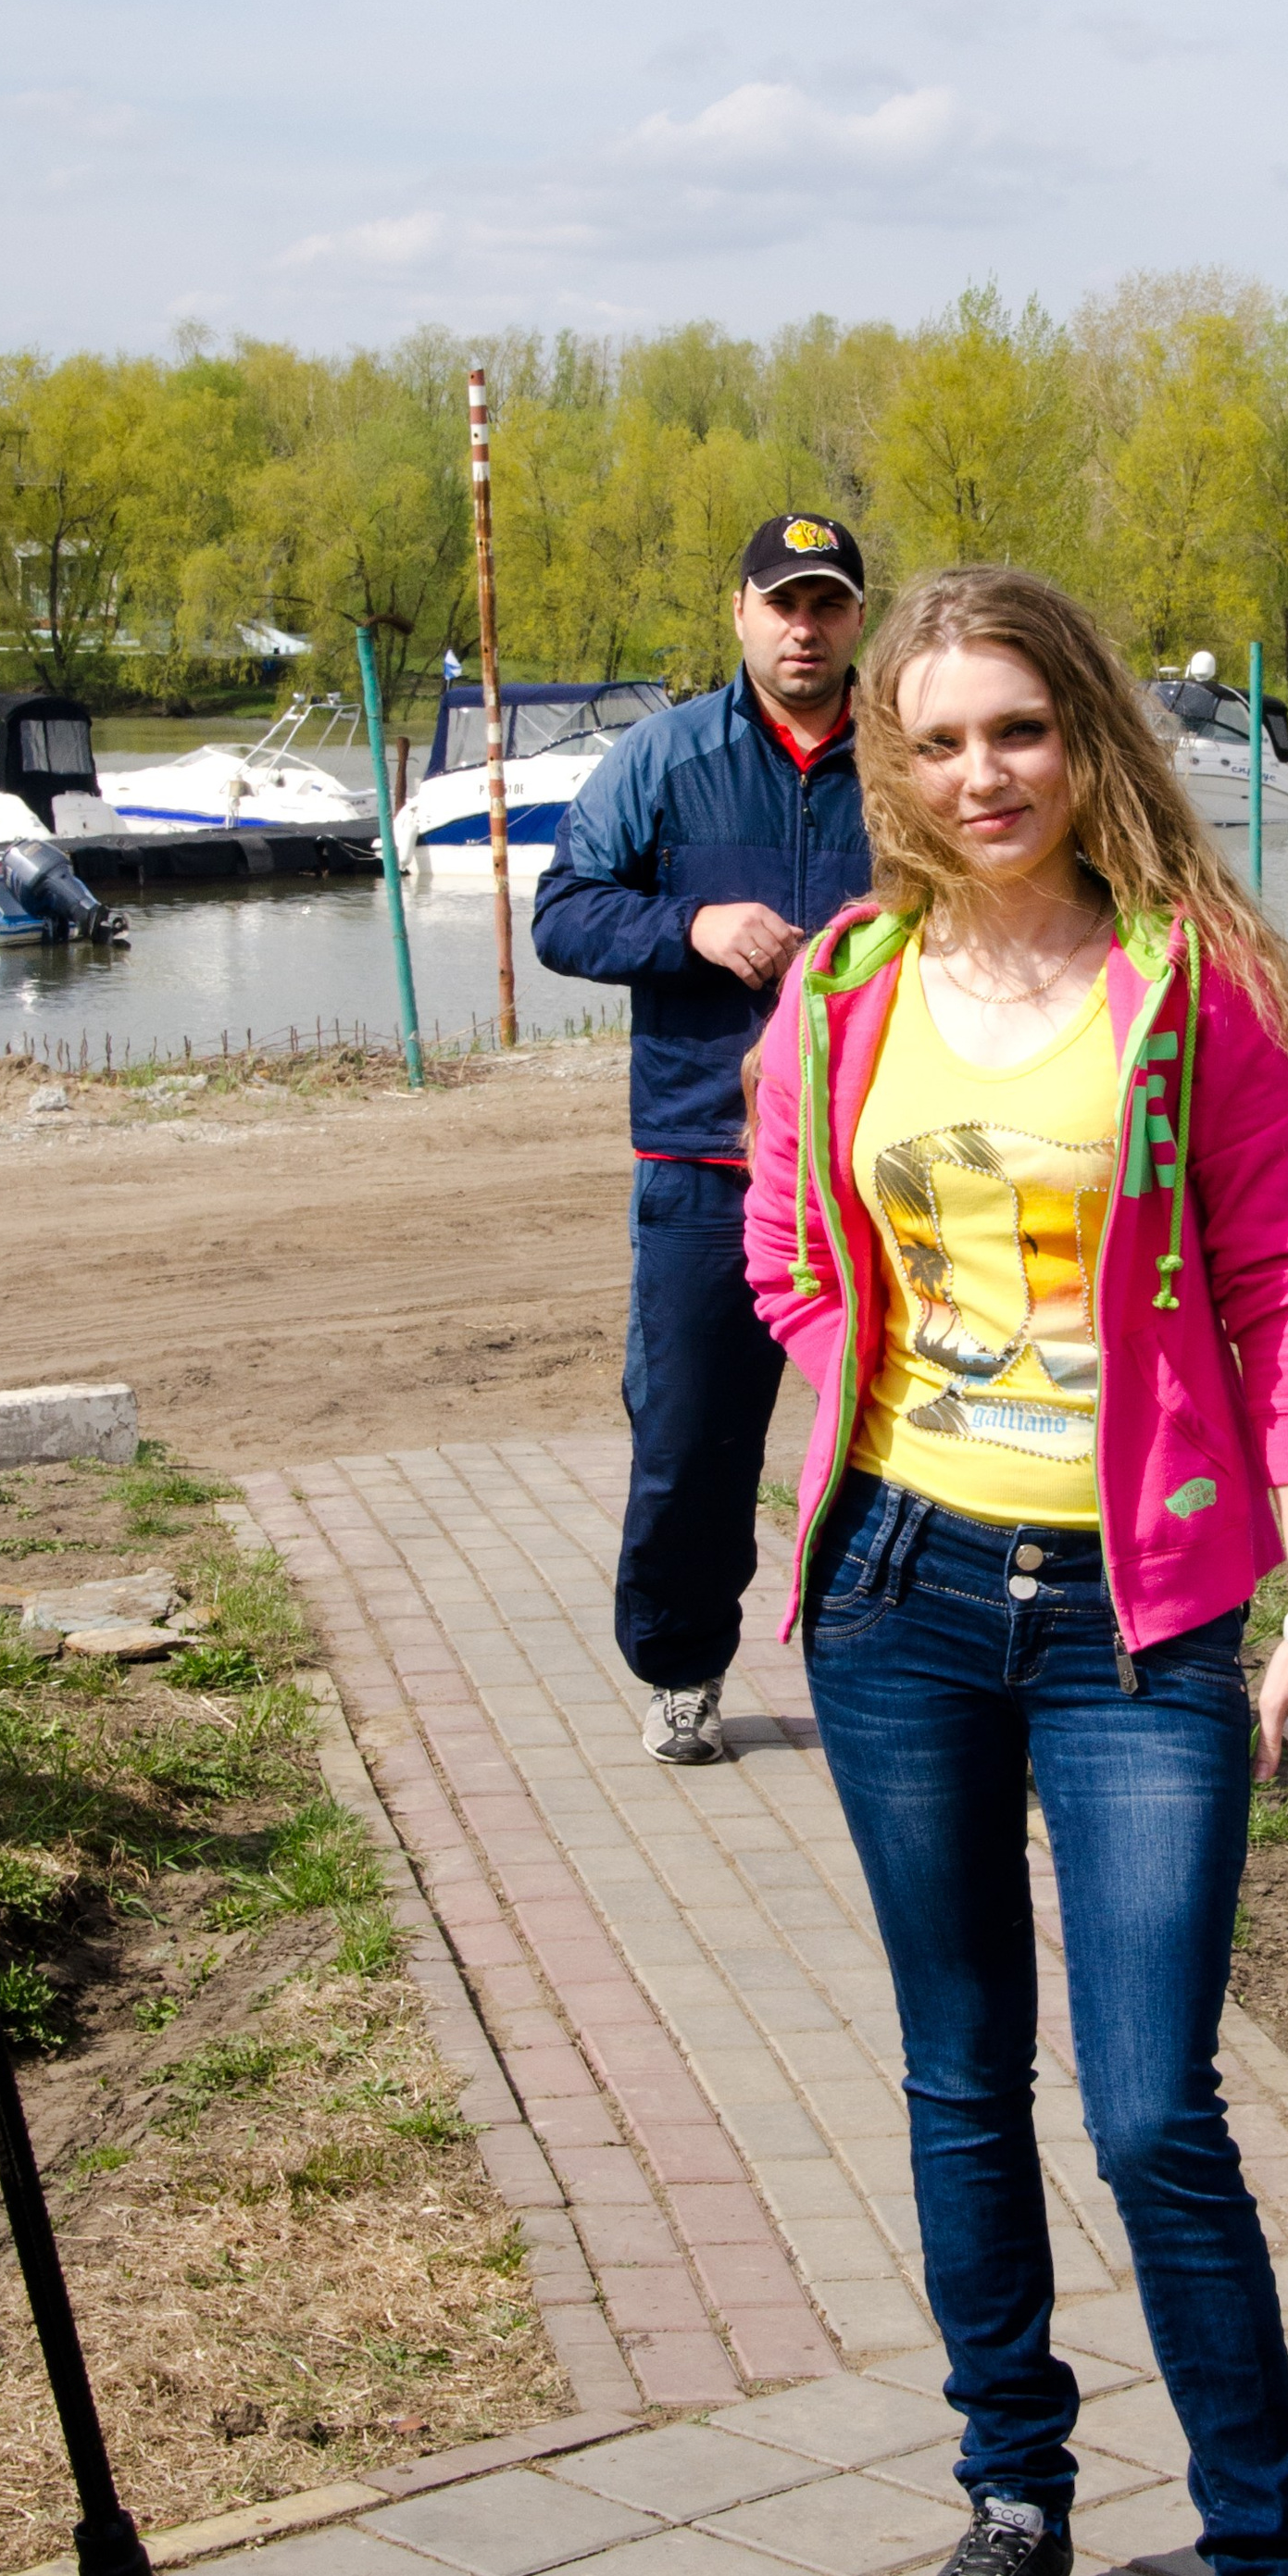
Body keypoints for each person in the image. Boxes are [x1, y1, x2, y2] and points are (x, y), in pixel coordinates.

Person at [744, 566, 1288, 2576]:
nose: (976, 775)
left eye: (1015, 730)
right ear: (894, 762)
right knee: (960, 2073)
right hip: (899, 1595)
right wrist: (862, 1386)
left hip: (1144, 1624)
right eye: (936, 740)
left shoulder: (1186, 986)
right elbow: (777, 1242)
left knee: (1150, 2111)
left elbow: (1282, 1288)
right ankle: (1013, 2503)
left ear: (1081, 735)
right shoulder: (842, 989)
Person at [532, 516, 871, 1763]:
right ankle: (682, 1669)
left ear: (855, 620)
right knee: (688, 1444)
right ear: (738, 610)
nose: (804, 625)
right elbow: (564, 914)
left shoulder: (908, 763)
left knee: (909, 1438)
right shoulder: (665, 756)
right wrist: (693, 926)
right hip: (702, 1166)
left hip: (879, 1166)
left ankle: (906, 1676)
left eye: (828, 602)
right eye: (783, 601)